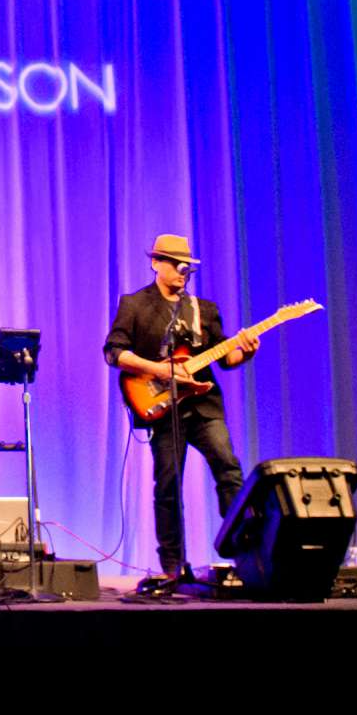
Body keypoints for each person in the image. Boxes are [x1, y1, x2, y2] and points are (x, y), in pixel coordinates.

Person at [103, 232, 259, 584]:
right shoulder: (135, 305)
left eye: (185, 265)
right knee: (168, 484)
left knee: (229, 469)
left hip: (203, 405)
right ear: (156, 263)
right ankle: (172, 565)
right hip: (161, 407)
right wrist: (158, 369)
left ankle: (243, 547)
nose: (181, 270)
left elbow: (226, 357)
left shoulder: (203, 309)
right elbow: (114, 352)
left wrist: (245, 350)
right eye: (173, 263)